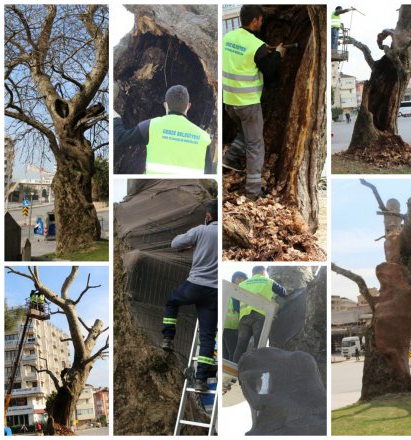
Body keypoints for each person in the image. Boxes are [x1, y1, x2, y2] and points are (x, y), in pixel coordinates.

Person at [221, 5, 284, 200]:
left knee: (246, 132)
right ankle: (253, 193)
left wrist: (265, 53)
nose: (262, 23)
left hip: (229, 101)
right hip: (247, 103)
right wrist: (279, 53)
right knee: (256, 145)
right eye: (261, 20)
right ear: (255, 20)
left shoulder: (227, 38)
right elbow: (271, 71)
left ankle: (229, 159)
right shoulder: (256, 46)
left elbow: (241, 59)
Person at [161, 200, 219, 392]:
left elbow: (175, 243)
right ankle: (201, 379)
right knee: (207, 336)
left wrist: (193, 241)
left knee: (172, 301)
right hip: (214, 293)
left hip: (195, 285)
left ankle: (168, 338)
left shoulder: (201, 230)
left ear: (209, 216)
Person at [114, 85, 212, 174]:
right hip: (190, 191)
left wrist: (115, 118)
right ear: (188, 106)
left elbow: (120, 138)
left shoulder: (151, 126)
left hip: (156, 190)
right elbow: (209, 174)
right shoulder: (204, 137)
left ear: (165, 105)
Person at [232, 266, 287, 363]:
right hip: (260, 316)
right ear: (263, 272)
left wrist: (239, 310)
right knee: (259, 346)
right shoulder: (268, 281)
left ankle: (234, 368)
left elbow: (235, 301)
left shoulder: (242, 284)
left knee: (241, 345)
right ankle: (257, 368)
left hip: (244, 317)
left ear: (252, 273)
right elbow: (283, 292)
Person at [222, 271, 248, 360]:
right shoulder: (235, 291)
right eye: (244, 281)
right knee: (233, 354)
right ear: (237, 280)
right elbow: (237, 308)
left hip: (223, 327)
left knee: (225, 355)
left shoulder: (225, 289)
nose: (244, 285)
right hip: (232, 327)